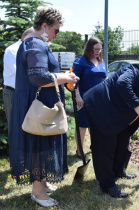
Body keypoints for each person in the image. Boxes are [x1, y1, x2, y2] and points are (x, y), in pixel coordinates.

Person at [9, 6, 79, 207]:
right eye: (56, 30)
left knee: (41, 145)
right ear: (45, 25)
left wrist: (62, 76)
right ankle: (38, 192)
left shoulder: (33, 43)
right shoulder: (35, 43)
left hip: (36, 105)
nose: (57, 34)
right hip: (36, 107)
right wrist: (65, 77)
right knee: (38, 147)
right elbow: (38, 76)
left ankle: (43, 182)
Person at [83, 59, 139, 198]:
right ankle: (107, 185)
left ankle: (118, 171)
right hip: (101, 108)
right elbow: (122, 83)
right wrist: (136, 105)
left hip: (117, 115)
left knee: (122, 143)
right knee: (105, 147)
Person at [72, 37, 107, 158]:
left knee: (95, 125)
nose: (98, 52)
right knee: (82, 125)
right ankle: (79, 150)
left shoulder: (101, 62)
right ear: (89, 48)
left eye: (99, 49)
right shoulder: (81, 61)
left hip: (98, 100)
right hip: (83, 99)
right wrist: (77, 96)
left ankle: (95, 146)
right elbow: (74, 81)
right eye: (95, 49)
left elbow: (104, 79)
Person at [3, 27, 34, 135]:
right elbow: (20, 73)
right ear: (27, 36)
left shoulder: (28, 50)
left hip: (25, 93)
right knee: (15, 128)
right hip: (13, 93)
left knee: (25, 127)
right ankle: (16, 152)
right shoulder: (13, 50)